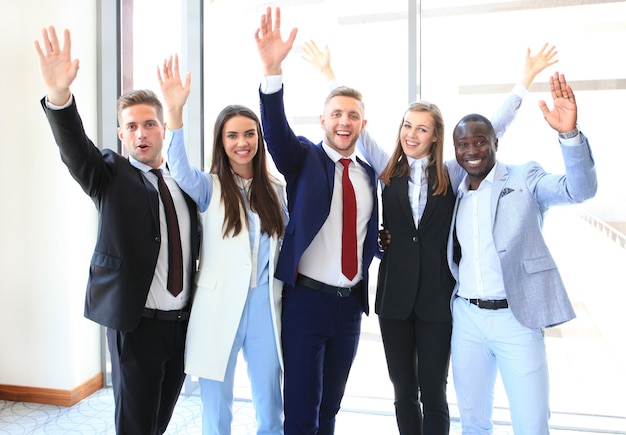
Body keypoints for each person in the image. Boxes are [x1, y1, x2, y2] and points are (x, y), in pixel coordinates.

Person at [302, 40, 558, 434]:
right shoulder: (387, 167)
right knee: (403, 392)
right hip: (394, 300)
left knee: (434, 392)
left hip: (439, 300)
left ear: (436, 136)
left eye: (421, 128)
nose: (411, 134)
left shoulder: (453, 172)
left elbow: (493, 128)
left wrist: (524, 80)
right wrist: (327, 72)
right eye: (407, 125)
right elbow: (349, 120)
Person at [34, 27, 200, 435]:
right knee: (134, 425)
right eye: (131, 127)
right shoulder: (109, 175)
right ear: (122, 134)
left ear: (163, 128)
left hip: (181, 326)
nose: (141, 133)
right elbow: (75, 148)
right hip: (136, 325)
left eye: (149, 124)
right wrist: (59, 96)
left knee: (157, 421)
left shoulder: (185, 181)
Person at [448, 72, 597, 434]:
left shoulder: (524, 177)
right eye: (463, 145)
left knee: (531, 424)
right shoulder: (454, 190)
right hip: (466, 319)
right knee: (473, 422)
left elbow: (580, 190)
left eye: (480, 142)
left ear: (495, 142)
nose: (471, 151)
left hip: (517, 319)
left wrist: (569, 135)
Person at [254, 7, 380, 434]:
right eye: (336, 114)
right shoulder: (304, 158)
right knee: (302, 412)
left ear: (363, 123)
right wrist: (272, 70)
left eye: (352, 115)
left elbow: (366, 235)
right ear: (323, 120)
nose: (344, 122)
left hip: (349, 307)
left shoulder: (367, 174)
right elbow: (274, 132)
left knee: (329, 410)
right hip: (306, 302)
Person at [156, 55, 287, 435]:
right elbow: (178, 168)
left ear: (259, 139)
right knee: (216, 401)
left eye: (249, 134)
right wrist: (175, 114)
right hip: (217, 304)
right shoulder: (208, 187)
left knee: (269, 398)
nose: (242, 142)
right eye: (232, 135)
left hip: (264, 302)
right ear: (222, 141)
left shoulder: (277, 192)